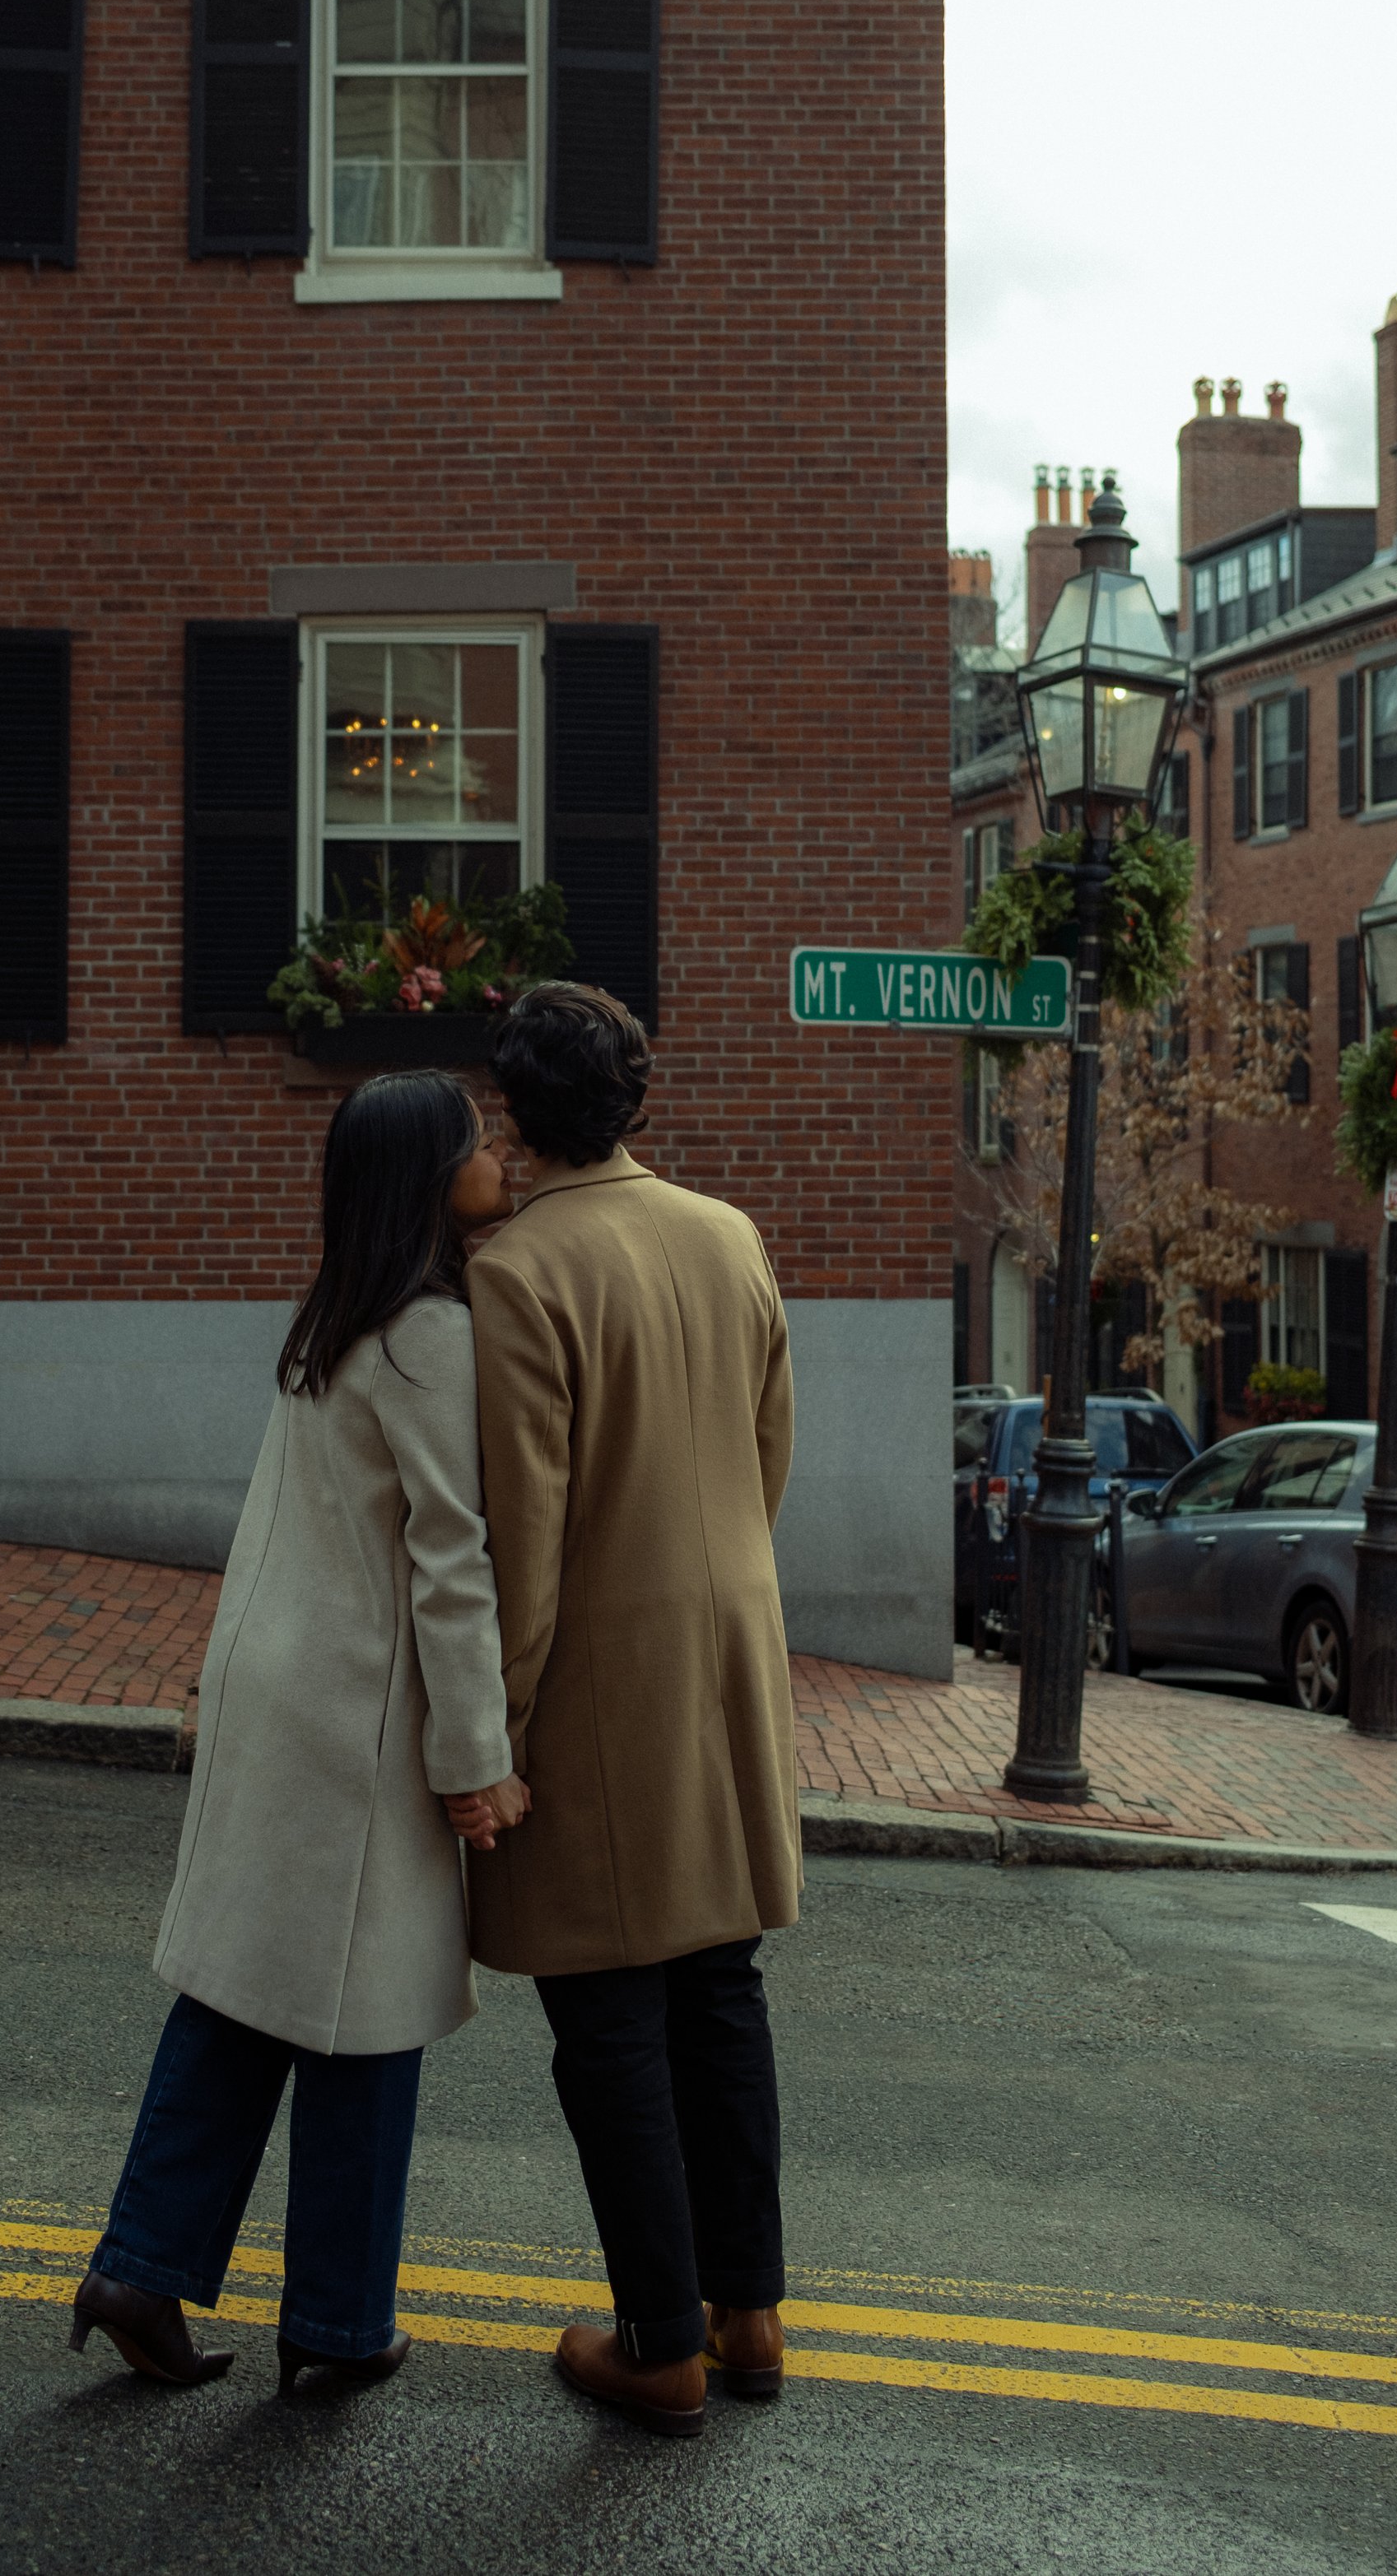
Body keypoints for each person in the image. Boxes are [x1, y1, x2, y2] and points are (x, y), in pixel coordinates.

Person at [72, 1070, 528, 2399]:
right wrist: (476, 1757)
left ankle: (139, 2263)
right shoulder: (427, 1331)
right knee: (366, 2014)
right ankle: (336, 2319)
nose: (496, 1153)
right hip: (358, 1711)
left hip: (278, 1679)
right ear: (430, 1178)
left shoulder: (337, 1314)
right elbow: (453, 1560)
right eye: (475, 1141)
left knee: (242, 1996)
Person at [454, 981, 800, 2439]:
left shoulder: (518, 1270)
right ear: (636, 1100)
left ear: (516, 1116)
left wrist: (493, 1729)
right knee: (717, 1985)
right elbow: (771, 1449)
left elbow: (520, 1538)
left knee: (606, 2008)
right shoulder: (730, 1235)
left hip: (601, 1667)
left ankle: (658, 2338)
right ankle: (750, 2308)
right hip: (734, 1650)